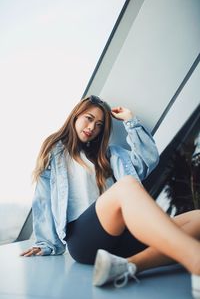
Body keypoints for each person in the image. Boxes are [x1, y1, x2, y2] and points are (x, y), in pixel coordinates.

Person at [21, 95, 200, 297]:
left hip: (119, 236)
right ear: (75, 116)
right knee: (127, 185)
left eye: (98, 125)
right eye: (88, 118)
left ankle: (128, 266)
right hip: (83, 240)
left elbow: (148, 159)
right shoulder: (55, 152)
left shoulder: (109, 155)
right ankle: (196, 261)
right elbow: (43, 199)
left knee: (198, 217)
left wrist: (131, 121)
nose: (92, 127)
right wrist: (46, 243)